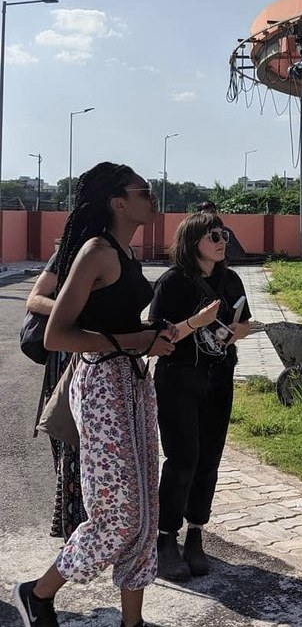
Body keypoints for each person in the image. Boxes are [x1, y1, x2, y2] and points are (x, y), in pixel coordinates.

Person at [13, 163, 176, 627]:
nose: (153, 198)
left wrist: (149, 334)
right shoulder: (95, 252)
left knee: (145, 512)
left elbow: (119, 322)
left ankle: (133, 622)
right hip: (102, 386)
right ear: (117, 202)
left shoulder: (126, 253)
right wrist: (130, 341)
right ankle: (39, 593)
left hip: (133, 383)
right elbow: (58, 335)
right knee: (118, 515)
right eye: (143, 191)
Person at [149, 211, 252, 580]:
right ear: (194, 242)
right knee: (182, 459)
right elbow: (155, 340)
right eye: (214, 236)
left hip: (219, 378)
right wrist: (196, 323)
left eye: (224, 234)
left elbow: (245, 322)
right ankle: (165, 539)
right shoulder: (173, 282)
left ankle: (196, 533)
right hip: (179, 379)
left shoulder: (231, 279)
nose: (222, 240)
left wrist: (236, 332)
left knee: (209, 458)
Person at [28, 252, 87, 541]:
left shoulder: (121, 252)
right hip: (65, 361)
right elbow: (35, 298)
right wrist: (70, 311)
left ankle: (98, 524)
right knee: (68, 442)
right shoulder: (67, 255)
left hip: (101, 357)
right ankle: (73, 526)